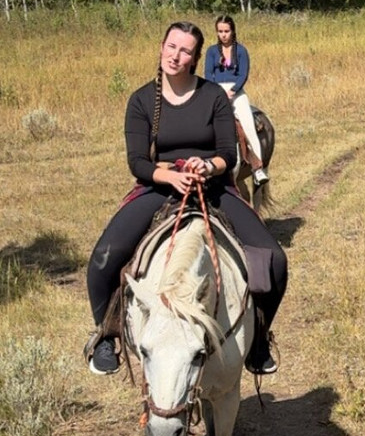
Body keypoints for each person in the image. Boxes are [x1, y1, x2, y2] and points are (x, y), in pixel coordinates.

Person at [85, 20, 288, 376]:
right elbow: (137, 161)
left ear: (195, 58)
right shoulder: (142, 100)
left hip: (212, 188)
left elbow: (228, 152)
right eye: (171, 46)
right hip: (158, 187)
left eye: (185, 51)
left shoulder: (213, 97)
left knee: (274, 260)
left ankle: (257, 340)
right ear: (162, 46)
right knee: (103, 258)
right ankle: (106, 334)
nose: (175, 56)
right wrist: (169, 176)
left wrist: (208, 166)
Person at [204, 15, 269, 186]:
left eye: (226, 31)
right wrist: (217, 92)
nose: (223, 35)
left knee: (248, 126)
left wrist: (232, 91)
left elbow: (243, 74)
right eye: (220, 31)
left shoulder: (241, 51)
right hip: (216, 93)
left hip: (237, 93)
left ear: (232, 31)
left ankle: (257, 168)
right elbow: (207, 74)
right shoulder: (211, 51)